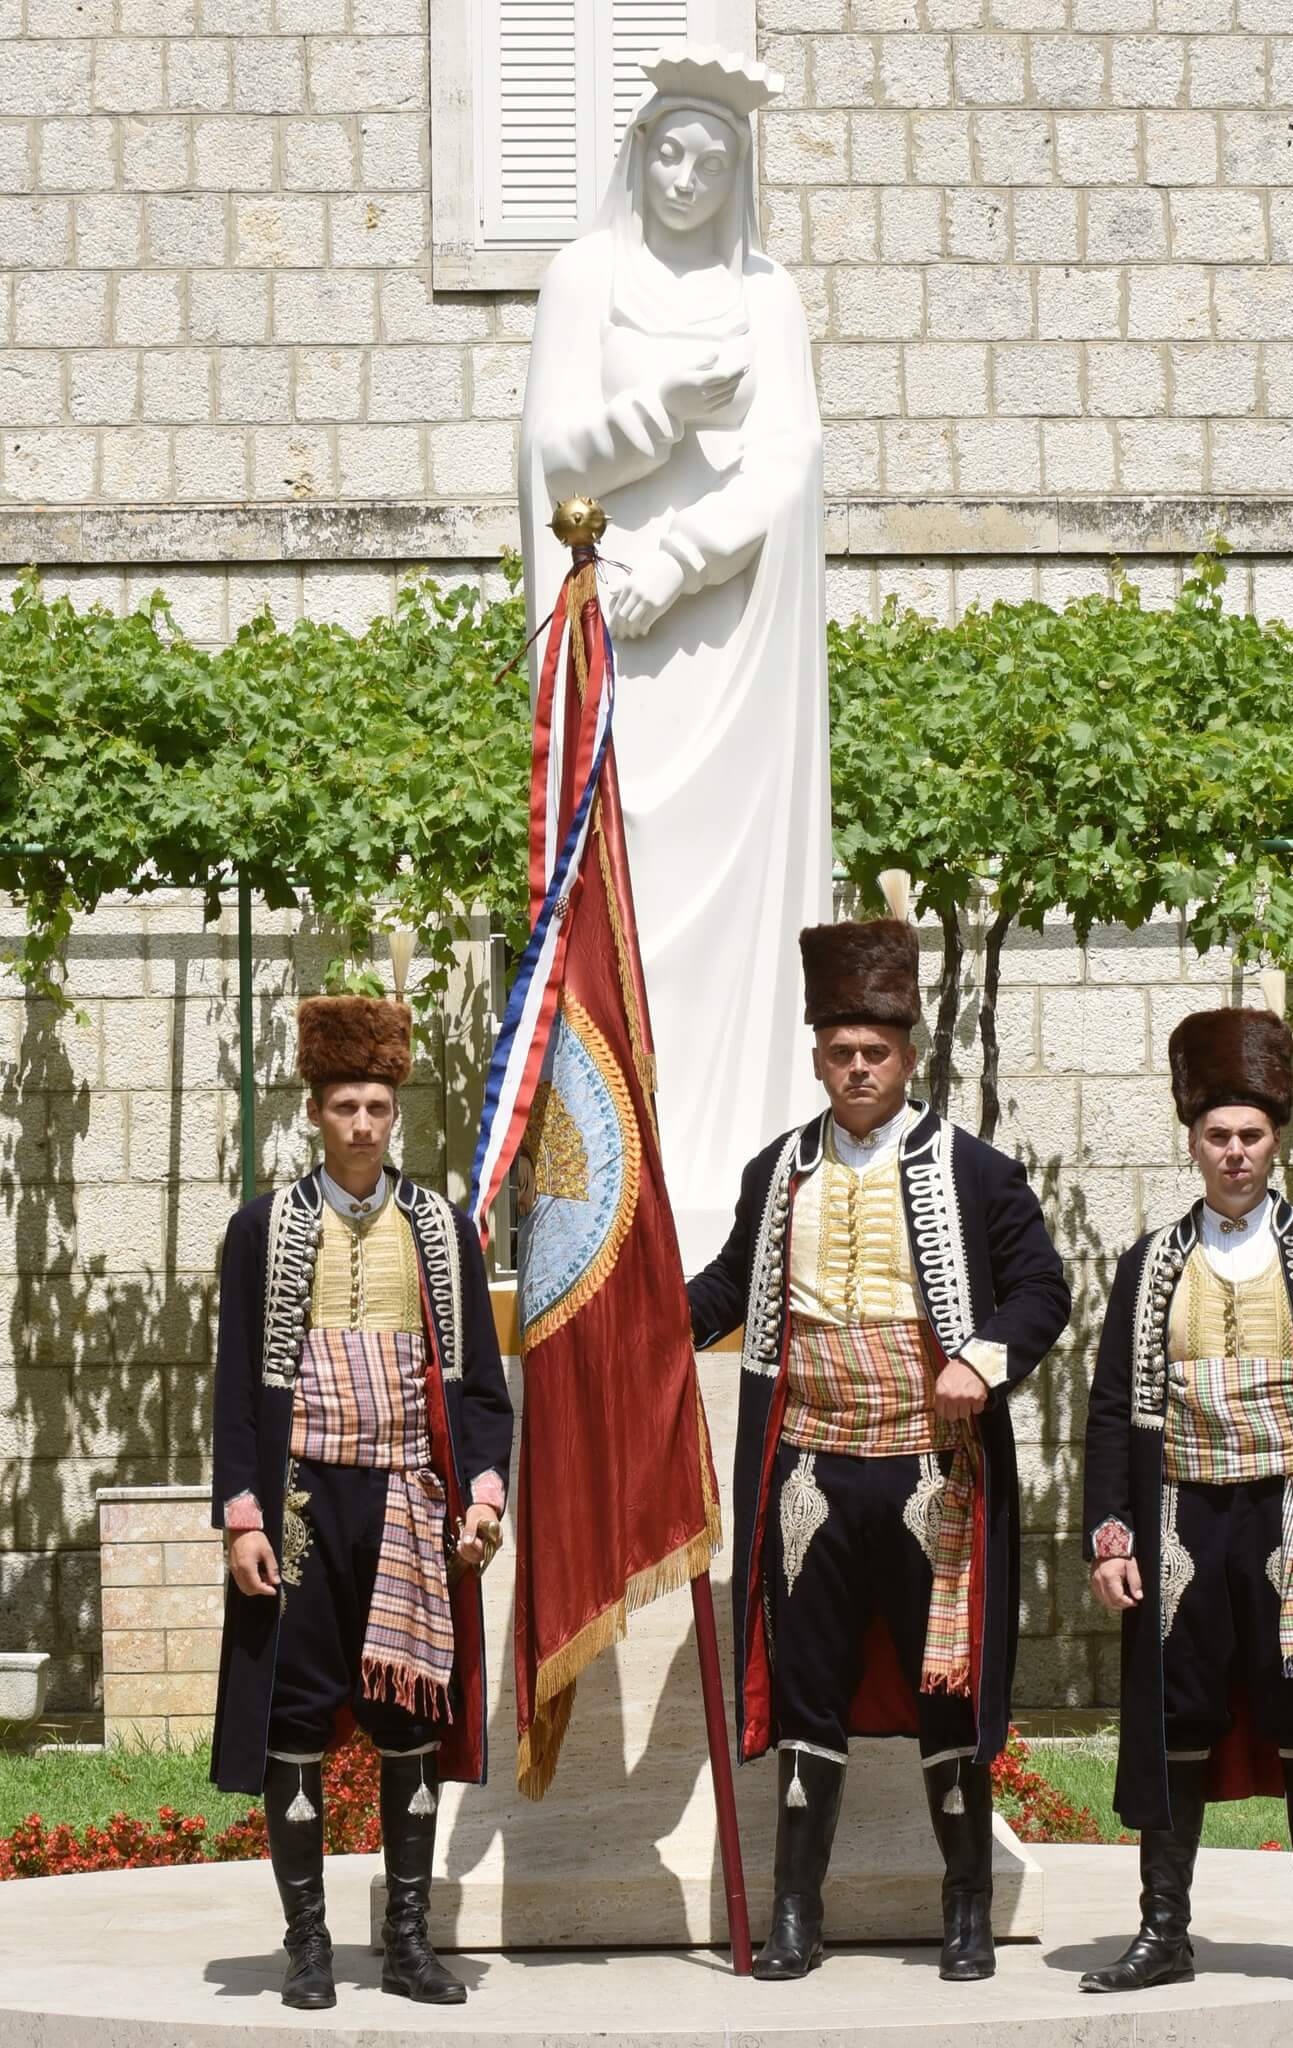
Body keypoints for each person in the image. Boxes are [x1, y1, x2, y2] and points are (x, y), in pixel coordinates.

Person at [687, 904, 1071, 1981]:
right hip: (807, 1466)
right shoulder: (776, 1172)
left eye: (875, 1050)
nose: (857, 1067)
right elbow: (728, 1287)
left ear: (908, 1054)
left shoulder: (977, 1171)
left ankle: (966, 1909)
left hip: (928, 1469)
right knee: (806, 1684)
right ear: (817, 1056)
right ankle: (795, 1914)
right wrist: (642, 1323)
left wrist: (980, 1359)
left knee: (946, 1685)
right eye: (839, 1050)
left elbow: (1043, 1289)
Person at [519, 43, 831, 1271]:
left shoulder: (770, 297)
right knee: (621, 888)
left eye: (713, 161)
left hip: (727, 652)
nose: (688, 180)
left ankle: (742, 1176)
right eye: (671, 154)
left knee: (742, 904)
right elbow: (555, 458)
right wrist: (664, 416)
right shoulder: (583, 280)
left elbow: (789, 464)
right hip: (620, 658)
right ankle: (615, 1173)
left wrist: (683, 557)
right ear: (638, 155)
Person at [1081, 1006, 1293, 1997]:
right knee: (1176, 1712)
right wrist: (1110, 1538)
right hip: (1181, 1518)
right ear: (1191, 1140)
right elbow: (1109, 1412)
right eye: (1217, 1133)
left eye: (1250, 1135)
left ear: (1277, 1139)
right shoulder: (1147, 1266)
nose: (1233, 1152)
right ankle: (1163, 1931)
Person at [210, 996, 513, 2010]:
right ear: (313, 1111)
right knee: (295, 1715)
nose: (362, 1123)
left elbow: (479, 1389)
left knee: (405, 1712)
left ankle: (408, 1944)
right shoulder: (262, 1228)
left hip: (406, 1497)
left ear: (397, 1112)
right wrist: (242, 1515)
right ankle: (307, 1944)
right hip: (299, 1500)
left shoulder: (442, 1230)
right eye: (344, 1105)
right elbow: (236, 1387)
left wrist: (482, 1491)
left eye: (378, 1105)